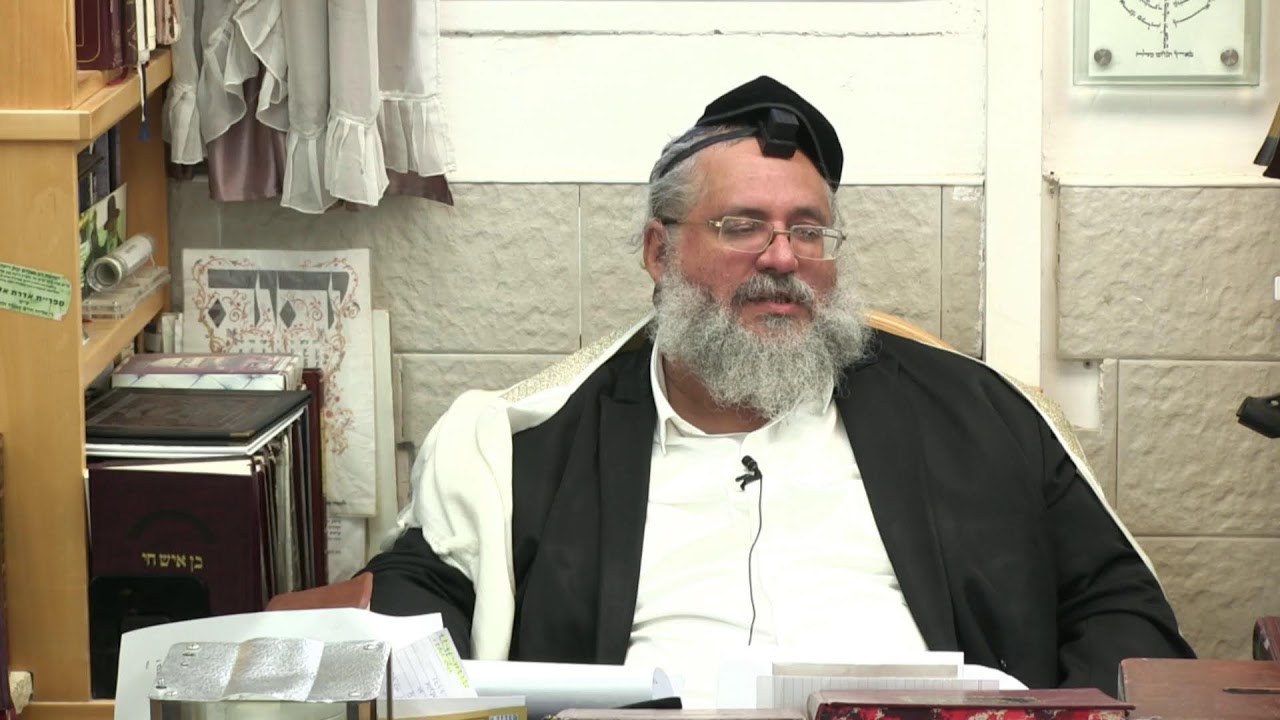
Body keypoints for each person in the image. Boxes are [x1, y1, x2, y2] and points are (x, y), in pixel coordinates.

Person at [362, 75, 1194, 706]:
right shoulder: (531, 444)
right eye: (741, 226)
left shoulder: (980, 416)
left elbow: (1120, 607)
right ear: (658, 252)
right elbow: (415, 601)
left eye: (807, 229)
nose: (783, 257)